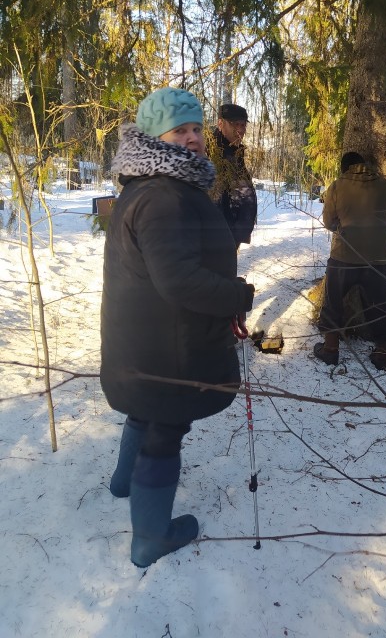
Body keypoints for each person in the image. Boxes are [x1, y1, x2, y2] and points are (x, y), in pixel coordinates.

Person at [100, 87, 255, 568]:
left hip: (144, 342)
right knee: (165, 429)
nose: (192, 138)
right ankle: (151, 538)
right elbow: (180, 282)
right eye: (179, 131)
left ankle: (124, 482)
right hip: (169, 347)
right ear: (155, 138)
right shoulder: (164, 196)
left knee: (144, 412)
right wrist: (237, 294)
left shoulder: (150, 186)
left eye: (195, 128)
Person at [315, 151, 386, 372]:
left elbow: (328, 222)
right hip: (377, 259)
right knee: (379, 304)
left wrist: (342, 225)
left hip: (344, 255)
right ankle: (383, 352)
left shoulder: (336, 186)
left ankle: (331, 349)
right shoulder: (384, 184)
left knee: (333, 300)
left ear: (345, 168)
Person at [207, 103, 258, 248]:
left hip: (231, 238)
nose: (241, 130)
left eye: (243, 125)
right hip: (216, 240)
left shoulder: (234, 152)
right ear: (220, 123)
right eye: (235, 125)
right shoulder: (211, 153)